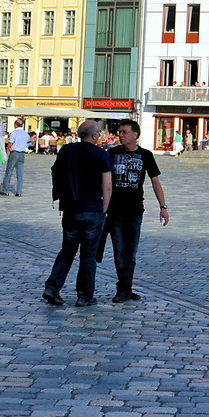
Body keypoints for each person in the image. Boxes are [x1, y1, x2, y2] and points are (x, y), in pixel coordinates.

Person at [43, 120, 114, 307]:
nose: (99, 136)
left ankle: (52, 287)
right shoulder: (101, 154)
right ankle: (84, 295)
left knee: (67, 250)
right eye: (98, 133)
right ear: (93, 136)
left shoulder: (66, 151)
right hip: (92, 209)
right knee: (88, 255)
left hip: (70, 208)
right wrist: (104, 209)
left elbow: (56, 173)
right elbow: (107, 185)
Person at [102, 120, 169, 303]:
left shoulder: (145, 155)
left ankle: (126, 288)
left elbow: (155, 182)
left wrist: (163, 207)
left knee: (130, 252)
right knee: (119, 251)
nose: (120, 135)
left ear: (135, 135)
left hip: (135, 211)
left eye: (124, 132)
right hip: (114, 211)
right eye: (119, 132)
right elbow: (102, 180)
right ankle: (122, 288)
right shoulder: (112, 153)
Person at [4, 119, 30, 196]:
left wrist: (8, 147)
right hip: (22, 154)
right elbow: (28, 142)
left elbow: (11, 142)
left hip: (14, 153)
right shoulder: (26, 133)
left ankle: (5, 190)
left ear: (15, 125)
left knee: (9, 171)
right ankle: (19, 191)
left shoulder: (14, 133)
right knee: (20, 174)